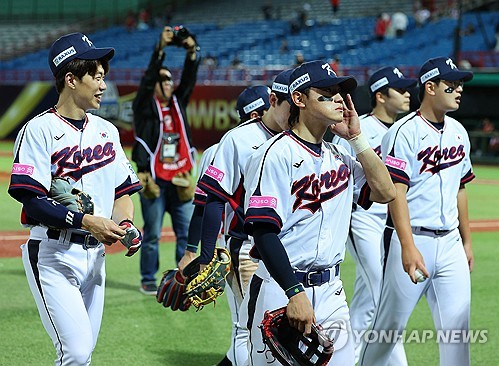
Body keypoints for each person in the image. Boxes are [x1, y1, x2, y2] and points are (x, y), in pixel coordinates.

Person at [241, 60, 396, 365]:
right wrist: (293, 291)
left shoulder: (338, 156)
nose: (339, 98)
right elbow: (263, 232)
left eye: (339, 92)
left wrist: (357, 138)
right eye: (326, 92)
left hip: (332, 292)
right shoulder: (275, 154)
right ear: (299, 99)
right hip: (281, 288)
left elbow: (386, 192)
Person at [8, 32, 142, 365]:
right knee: (76, 353)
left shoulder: (107, 131)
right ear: (71, 79)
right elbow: (31, 197)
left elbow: (123, 191)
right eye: (95, 77)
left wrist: (126, 225)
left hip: (95, 258)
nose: (102, 85)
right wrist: (85, 221)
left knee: (81, 354)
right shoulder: (38, 130)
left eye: (103, 77)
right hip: (53, 254)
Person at [359, 57, 475, 365]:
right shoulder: (401, 132)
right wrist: (407, 246)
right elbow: (397, 192)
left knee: (457, 334)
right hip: (412, 240)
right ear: (431, 87)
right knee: (388, 331)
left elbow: (460, 188)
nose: (459, 89)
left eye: (461, 84)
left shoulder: (459, 132)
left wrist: (467, 241)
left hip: (450, 243)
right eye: (452, 84)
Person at [194, 69, 293, 366]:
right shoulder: (237, 139)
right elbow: (213, 199)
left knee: (276, 328)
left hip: (286, 248)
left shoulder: (295, 139)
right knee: (246, 327)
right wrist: (207, 254)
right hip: (247, 247)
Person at [332, 66, 416, 364]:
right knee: (380, 294)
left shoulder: (404, 129)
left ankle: (346, 356)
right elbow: (339, 176)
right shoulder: (357, 127)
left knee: (371, 298)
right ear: (380, 95)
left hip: (390, 222)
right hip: (363, 217)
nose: (408, 93)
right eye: (400, 89)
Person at [132, 25, 200, 295]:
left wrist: (192, 51)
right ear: (155, 85)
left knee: (186, 235)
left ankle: (183, 278)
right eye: (164, 79)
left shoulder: (178, 104)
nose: (169, 83)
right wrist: (159, 50)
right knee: (151, 235)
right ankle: (148, 277)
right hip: (155, 179)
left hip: (180, 177)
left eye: (171, 79)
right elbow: (149, 78)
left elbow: (190, 79)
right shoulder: (145, 107)